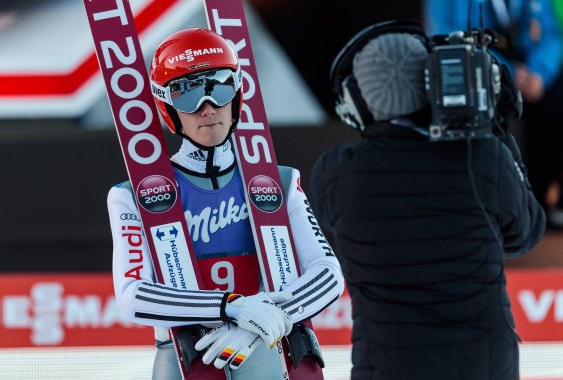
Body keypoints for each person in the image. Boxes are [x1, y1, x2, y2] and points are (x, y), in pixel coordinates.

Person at [311, 21, 546, 380]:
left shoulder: (335, 174)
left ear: (358, 102)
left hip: (386, 369)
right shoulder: (482, 156)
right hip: (483, 368)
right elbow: (524, 235)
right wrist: (496, 130)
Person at [107, 28, 343, 379]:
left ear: (237, 94)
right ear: (166, 105)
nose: (207, 109)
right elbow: (131, 296)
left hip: (267, 345)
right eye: (186, 94)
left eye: (219, 87)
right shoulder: (132, 194)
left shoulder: (280, 181)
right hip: (187, 354)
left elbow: (329, 274)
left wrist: (263, 319)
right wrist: (231, 308)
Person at [424, 0, 563, 225]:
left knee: (556, 95)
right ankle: (494, 205)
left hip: (526, 70)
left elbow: (550, 34)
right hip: (478, 69)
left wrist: (539, 74)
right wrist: (506, 72)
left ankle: (538, 203)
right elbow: (445, 37)